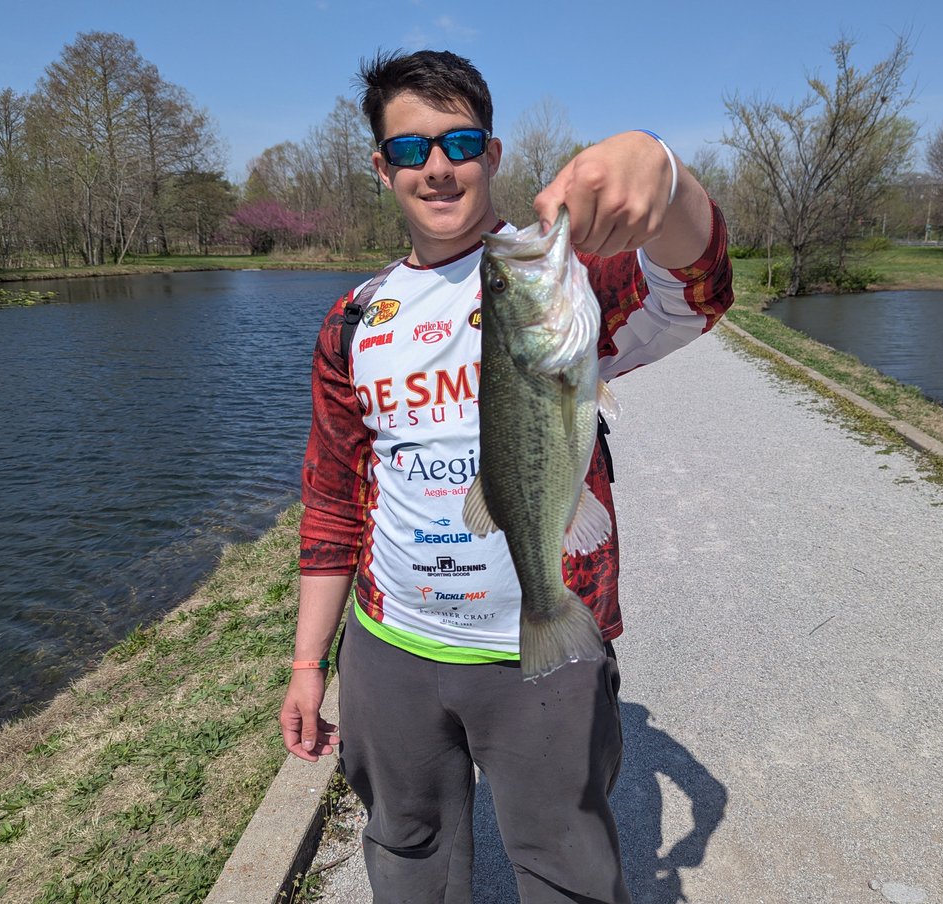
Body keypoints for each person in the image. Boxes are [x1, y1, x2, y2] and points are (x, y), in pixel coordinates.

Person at [279, 48, 734, 904]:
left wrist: (665, 175)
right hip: (391, 645)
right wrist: (311, 663)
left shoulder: (566, 286)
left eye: (460, 141)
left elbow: (698, 288)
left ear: (491, 152)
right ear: (382, 170)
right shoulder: (352, 320)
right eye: (411, 150)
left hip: (540, 645)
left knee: (566, 866)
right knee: (407, 849)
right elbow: (333, 501)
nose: (438, 167)